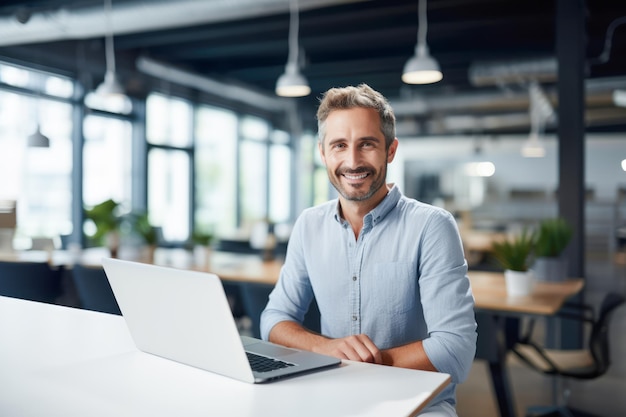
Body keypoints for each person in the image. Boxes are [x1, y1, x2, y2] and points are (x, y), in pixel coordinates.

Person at [260, 84, 476, 417]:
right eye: (339, 145)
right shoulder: (309, 225)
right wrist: (327, 349)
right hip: (332, 395)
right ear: (323, 153)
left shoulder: (432, 226)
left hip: (417, 404)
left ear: (390, 150)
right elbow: (274, 320)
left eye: (367, 144)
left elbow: (455, 350)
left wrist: (361, 364)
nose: (352, 160)